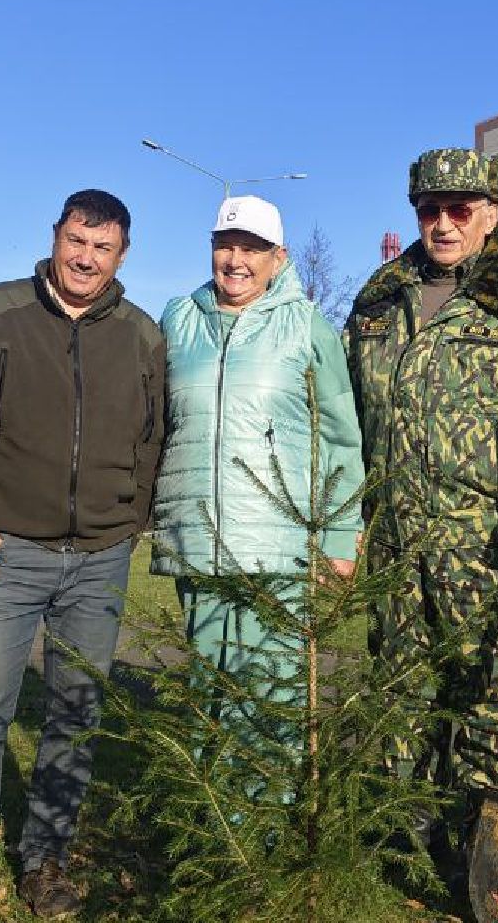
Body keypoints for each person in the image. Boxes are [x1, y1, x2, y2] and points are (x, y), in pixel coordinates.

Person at [0, 190, 166, 923]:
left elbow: (154, 436)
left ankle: (46, 861)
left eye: (102, 248)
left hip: (99, 557)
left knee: (76, 711)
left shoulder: (141, 336)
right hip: (7, 552)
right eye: (75, 241)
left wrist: (132, 519)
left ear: (121, 256)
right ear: (55, 237)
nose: (85, 258)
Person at [344, 147, 498, 881]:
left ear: (491, 213)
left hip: (488, 536)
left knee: (492, 687)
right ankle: (405, 833)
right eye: (429, 209)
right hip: (396, 536)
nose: (442, 223)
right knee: (400, 682)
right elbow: (348, 417)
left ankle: (484, 843)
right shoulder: (381, 298)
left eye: (459, 209)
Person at [149, 194, 364, 765]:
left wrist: (340, 538)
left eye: (252, 248)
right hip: (197, 542)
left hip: (278, 549)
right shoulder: (179, 319)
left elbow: (340, 436)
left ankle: (269, 842)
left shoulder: (307, 326)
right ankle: (219, 839)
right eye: (226, 245)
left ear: (279, 256)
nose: (237, 259)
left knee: (270, 699)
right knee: (209, 695)